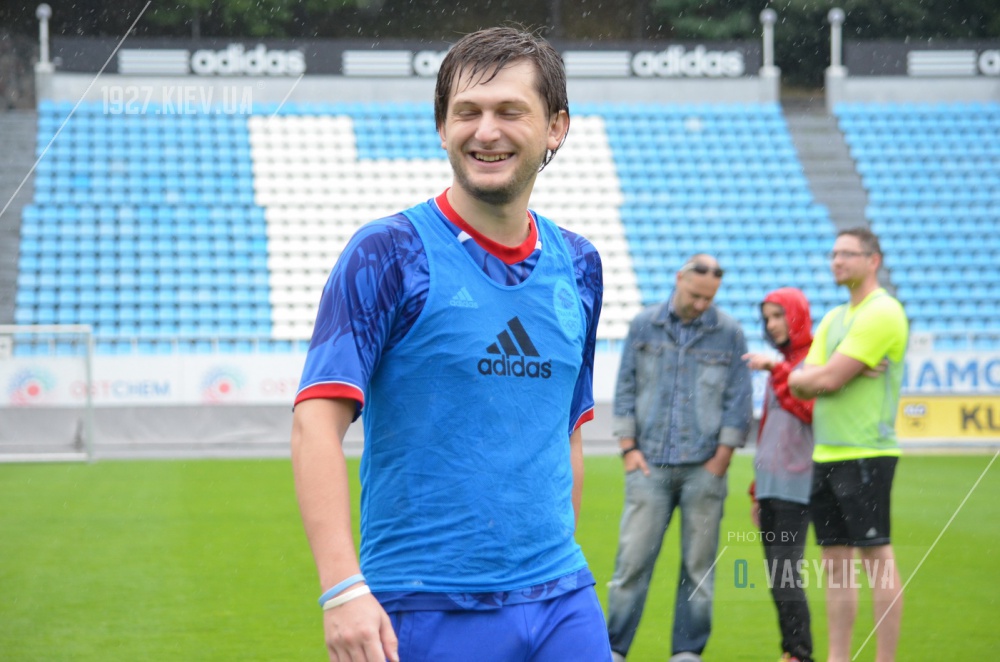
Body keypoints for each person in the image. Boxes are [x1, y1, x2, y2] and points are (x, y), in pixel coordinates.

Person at [290, 26, 612, 662]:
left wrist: (555, 564)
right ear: (442, 127)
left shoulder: (580, 265)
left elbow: (566, 432)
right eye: (467, 112)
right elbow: (314, 425)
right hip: (425, 603)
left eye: (509, 111)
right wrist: (342, 588)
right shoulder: (387, 253)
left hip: (563, 602)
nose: (485, 131)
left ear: (557, 127)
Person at [606, 255, 753, 662]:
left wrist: (722, 458)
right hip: (647, 465)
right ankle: (613, 649)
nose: (701, 304)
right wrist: (628, 449)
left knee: (699, 568)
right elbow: (625, 386)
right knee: (631, 564)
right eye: (695, 295)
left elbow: (738, 398)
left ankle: (687, 653)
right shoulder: (643, 324)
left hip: (704, 469)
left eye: (709, 298)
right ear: (679, 279)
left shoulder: (729, 332)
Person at [788, 227, 908, 662]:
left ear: (873, 260)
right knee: (835, 566)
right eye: (834, 253)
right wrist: (818, 377)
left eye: (847, 254)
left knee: (877, 559)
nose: (836, 261)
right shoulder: (835, 317)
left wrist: (822, 377)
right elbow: (802, 381)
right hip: (827, 453)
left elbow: (828, 377)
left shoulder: (883, 311)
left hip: (867, 452)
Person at [743, 287, 815, 662]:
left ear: (797, 315)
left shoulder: (815, 361)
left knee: (786, 574)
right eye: (767, 318)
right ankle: (791, 650)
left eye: (778, 316)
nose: (771, 325)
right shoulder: (786, 364)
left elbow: (807, 409)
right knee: (778, 575)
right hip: (772, 486)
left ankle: (800, 653)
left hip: (797, 484)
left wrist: (777, 369)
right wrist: (757, 489)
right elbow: (770, 431)